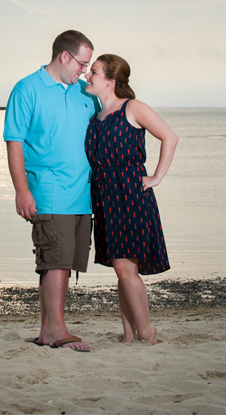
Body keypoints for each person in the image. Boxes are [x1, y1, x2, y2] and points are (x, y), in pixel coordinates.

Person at [4, 30, 99, 351]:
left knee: (60, 262)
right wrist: (22, 190)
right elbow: (14, 142)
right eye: (81, 64)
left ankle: (47, 332)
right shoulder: (27, 89)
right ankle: (58, 331)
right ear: (64, 56)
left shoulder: (85, 94)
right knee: (55, 260)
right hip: (48, 191)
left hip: (83, 195)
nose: (84, 71)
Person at [84, 54, 177, 345]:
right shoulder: (96, 116)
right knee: (121, 270)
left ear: (111, 81)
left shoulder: (133, 108)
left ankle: (146, 332)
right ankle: (128, 334)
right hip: (104, 196)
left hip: (130, 195)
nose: (89, 76)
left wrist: (157, 177)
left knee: (126, 269)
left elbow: (170, 137)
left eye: (95, 72)